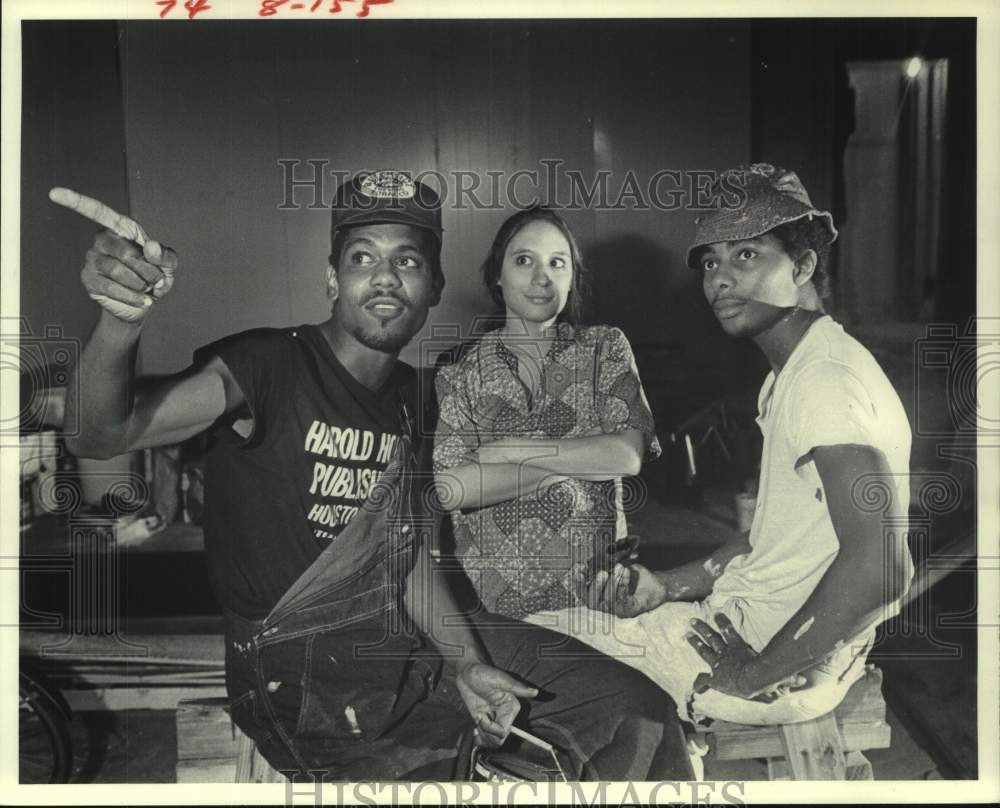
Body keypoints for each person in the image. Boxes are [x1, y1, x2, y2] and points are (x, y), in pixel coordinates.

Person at [53, 172, 691, 780]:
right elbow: (99, 435)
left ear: (434, 286)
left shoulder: (414, 398)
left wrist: (467, 662)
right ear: (332, 278)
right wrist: (120, 320)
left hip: (402, 638)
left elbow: (403, 554)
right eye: (363, 257)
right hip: (303, 678)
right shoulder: (267, 366)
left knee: (637, 716)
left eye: (407, 261)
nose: (385, 276)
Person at [538, 164, 914, 727]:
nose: (719, 279)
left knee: (519, 643)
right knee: (546, 633)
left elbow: (882, 566)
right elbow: (772, 542)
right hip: (748, 629)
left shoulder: (824, 382)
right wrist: (666, 586)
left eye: (747, 255)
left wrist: (754, 673)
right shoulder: (800, 369)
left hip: (770, 659)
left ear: (803, 265)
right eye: (711, 262)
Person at [432, 206, 660, 621]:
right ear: (497, 275)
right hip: (494, 611)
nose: (542, 278)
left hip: (595, 601)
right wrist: (562, 474)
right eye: (524, 260)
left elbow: (626, 455)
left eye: (558, 263)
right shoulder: (460, 371)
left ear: (572, 279)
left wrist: (510, 452)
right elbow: (452, 486)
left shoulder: (604, 348)